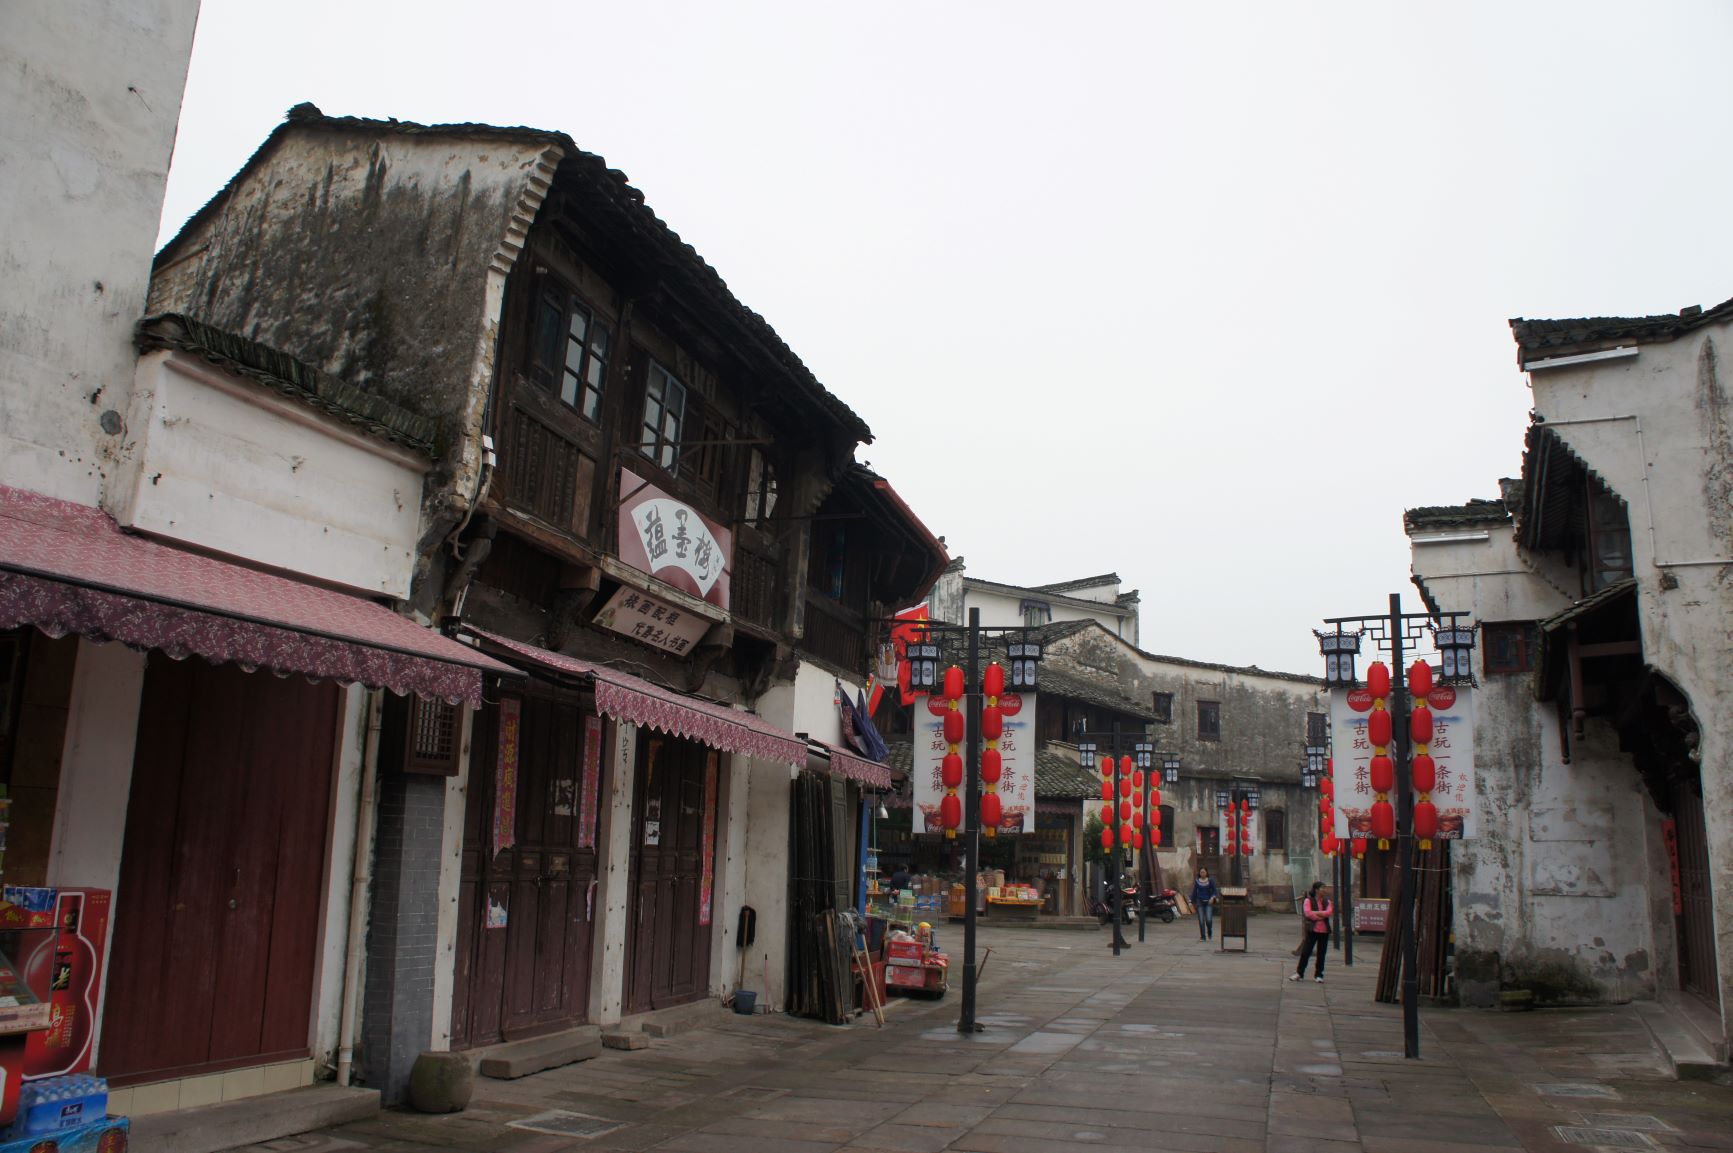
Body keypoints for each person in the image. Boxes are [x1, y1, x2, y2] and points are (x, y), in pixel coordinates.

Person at [1290, 881, 1334, 982]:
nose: (1325, 890)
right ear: (1316, 890)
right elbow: (1308, 913)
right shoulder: (1308, 901)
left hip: (1324, 930)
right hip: (1312, 930)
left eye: (1325, 888)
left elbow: (1328, 912)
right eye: (1323, 888)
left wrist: (1316, 913)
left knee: (1321, 953)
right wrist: (1319, 916)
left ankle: (1319, 975)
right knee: (1306, 952)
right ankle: (1299, 973)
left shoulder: (1327, 901)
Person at [1189, 866, 1220, 941]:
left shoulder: (1210, 881)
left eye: (1204, 872)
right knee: (1201, 920)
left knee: (1208, 920)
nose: (1202, 873)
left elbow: (1215, 891)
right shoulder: (1197, 881)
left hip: (1208, 902)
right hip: (1200, 902)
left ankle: (1209, 931)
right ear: (1199, 873)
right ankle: (1203, 936)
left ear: (1206, 873)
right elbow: (1194, 892)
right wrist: (1191, 901)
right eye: (1201, 872)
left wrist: (1212, 897)